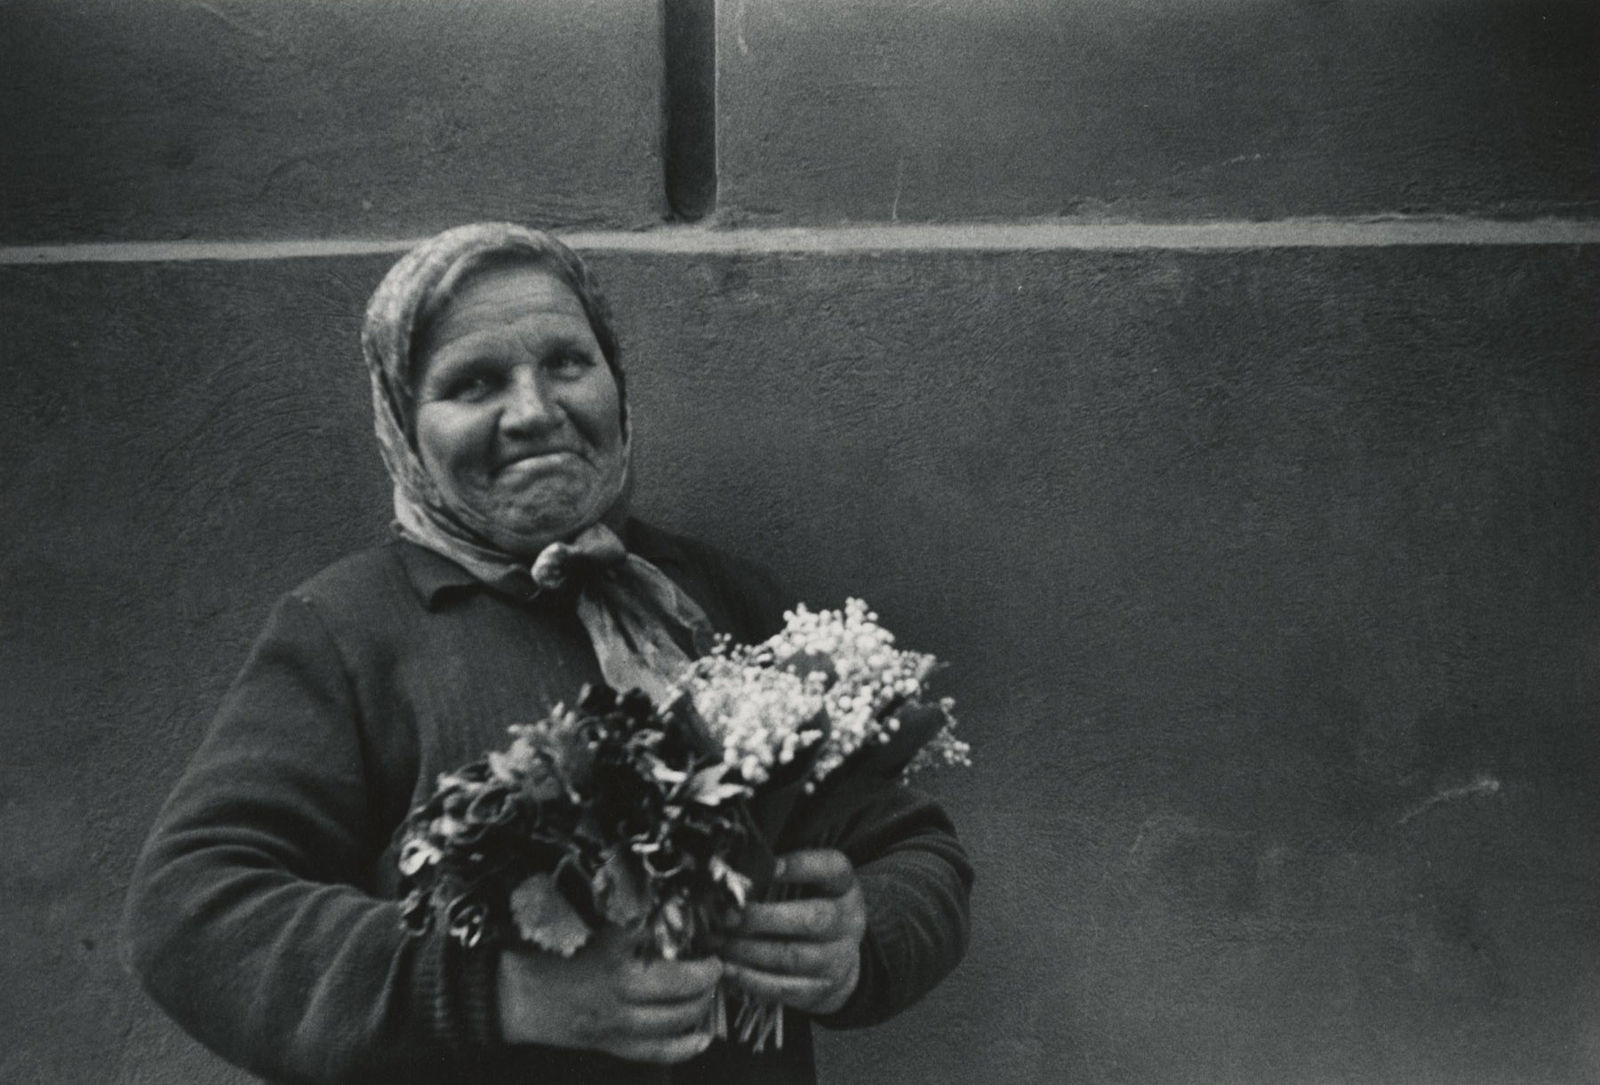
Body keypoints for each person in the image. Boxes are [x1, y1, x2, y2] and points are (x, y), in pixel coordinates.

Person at [121, 223, 972, 1084]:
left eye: (568, 363)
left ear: (617, 385)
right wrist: (498, 990)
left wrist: (860, 938)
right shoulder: (349, 631)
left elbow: (916, 848)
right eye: (474, 382)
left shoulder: (713, 597)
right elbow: (190, 911)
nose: (534, 412)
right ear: (403, 426)